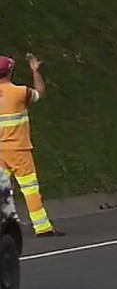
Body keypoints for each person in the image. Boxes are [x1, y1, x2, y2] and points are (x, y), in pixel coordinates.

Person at [0, 52, 61, 237]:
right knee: (30, 190)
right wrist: (35, 71)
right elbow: (39, 93)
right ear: (10, 72)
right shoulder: (20, 92)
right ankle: (42, 228)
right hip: (19, 151)